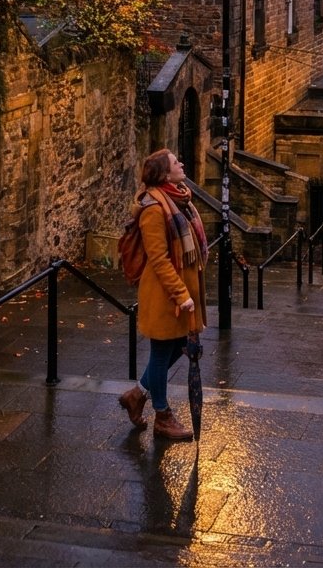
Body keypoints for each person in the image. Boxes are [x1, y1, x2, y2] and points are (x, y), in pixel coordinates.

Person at [118, 149, 208, 442]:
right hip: (164, 295)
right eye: (175, 162)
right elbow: (158, 259)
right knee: (160, 353)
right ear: (164, 174)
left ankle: (137, 394)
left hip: (179, 293)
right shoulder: (155, 209)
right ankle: (162, 415)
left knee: (179, 344)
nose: (181, 163)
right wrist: (181, 294)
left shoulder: (179, 199)